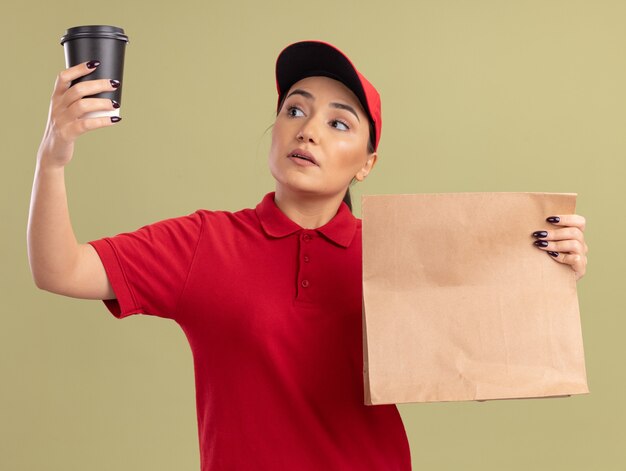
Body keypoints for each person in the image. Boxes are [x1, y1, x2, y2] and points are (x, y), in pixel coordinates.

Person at [27, 40, 589, 470]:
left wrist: (546, 275)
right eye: (295, 110)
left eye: (339, 121)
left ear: (366, 162)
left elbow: (478, 370)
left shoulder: (399, 250)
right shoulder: (203, 244)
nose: (309, 130)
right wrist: (53, 156)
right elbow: (59, 269)